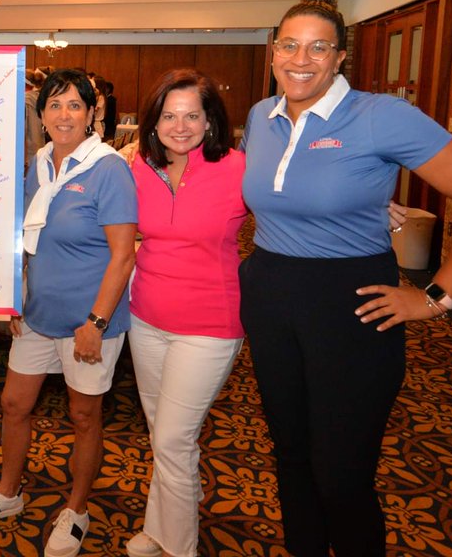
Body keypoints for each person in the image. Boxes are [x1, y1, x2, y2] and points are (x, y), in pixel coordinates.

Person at [238, 0, 452, 557]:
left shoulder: (379, 116)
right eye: (290, 45)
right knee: (290, 455)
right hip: (270, 294)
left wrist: (436, 297)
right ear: (272, 51)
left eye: (318, 48)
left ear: (340, 57)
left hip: (350, 302)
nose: (301, 60)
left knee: (340, 471)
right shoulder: (262, 113)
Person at [0, 68, 137, 557]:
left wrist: (96, 323)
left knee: (83, 415)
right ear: (42, 114)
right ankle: (9, 493)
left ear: (93, 113)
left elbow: (123, 255)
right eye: (54, 105)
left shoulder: (109, 169)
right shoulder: (39, 162)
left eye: (75, 105)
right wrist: (15, 292)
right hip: (37, 313)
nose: (64, 114)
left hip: (89, 321)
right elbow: (25, 240)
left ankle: (76, 510)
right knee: (14, 404)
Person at [124, 69, 246, 557]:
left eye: (192, 115)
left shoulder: (239, 167)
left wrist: (365, 206)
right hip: (146, 316)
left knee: (173, 438)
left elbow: (295, 197)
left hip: (210, 323)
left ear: (210, 121)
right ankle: (161, 525)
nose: (180, 126)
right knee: (165, 432)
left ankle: (180, 547)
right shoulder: (136, 164)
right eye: (169, 116)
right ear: (152, 123)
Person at [24, 68, 46, 172]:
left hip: (26, 152)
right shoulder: (39, 98)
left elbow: (23, 130)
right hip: (39, 147)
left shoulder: (25, 101)